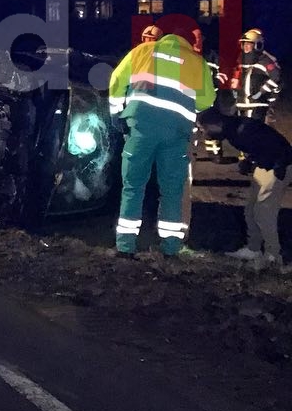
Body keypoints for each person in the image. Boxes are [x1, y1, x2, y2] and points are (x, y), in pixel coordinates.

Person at [109, 21, 217, 256]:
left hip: (141, 129)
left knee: (133, 186)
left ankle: (125, 246)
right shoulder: (197, 62)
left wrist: (116, 114)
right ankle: (170, 247)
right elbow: (206, 101)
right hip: (176, 134)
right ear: (188, 42)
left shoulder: (142, 51)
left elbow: (117, 81)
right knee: (172, 190)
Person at [198, 108, 289, 270]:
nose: (203, 132)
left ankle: (273, 256)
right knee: (250, 209)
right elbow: (256, 147)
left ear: (215, 124)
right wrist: (249, 161)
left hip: (278, 165)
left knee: (264, 211)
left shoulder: (241, 130)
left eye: (203, 128)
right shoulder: (234, 129)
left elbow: (273, 147)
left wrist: (272, 167)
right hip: (265, 165)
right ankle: (253, 249)